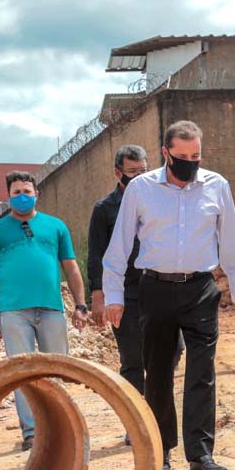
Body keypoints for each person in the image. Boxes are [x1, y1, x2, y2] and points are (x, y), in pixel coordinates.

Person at [103, 120, 235, 470]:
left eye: (196, 156)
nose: (190, 162)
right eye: (182, 156)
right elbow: (119, 245)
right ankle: (162, 448)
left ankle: (200, 454)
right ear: (166, 153)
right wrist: (113, 295)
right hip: (154, 288)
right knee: (158, 372)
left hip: (200, 288)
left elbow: (231, 240)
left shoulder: (216, 186)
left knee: (203, 370)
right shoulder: (141, 189)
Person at [0, 171, 88, 451]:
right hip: (14, 312)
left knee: (58, 368)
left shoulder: (56, 227)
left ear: (37, 194)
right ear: (8, 196)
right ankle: (32, 433)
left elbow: (71, 267)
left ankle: (60, 426)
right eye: (16, 192)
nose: (22, 196)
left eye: (27, 191)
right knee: (23, 372)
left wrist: (80, 305)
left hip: (51, 309)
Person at [87, 145, 184, 446]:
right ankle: (136, 421)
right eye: (132, 173)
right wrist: (98, 295)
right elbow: (96, 255)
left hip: (158, 287)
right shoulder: (105, 209)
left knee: (173, 349)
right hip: (124, 292)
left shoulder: (159, 198)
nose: (139, 177)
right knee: (131, 359)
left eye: (143, 171)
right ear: (118, 173)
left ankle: (154, 407)